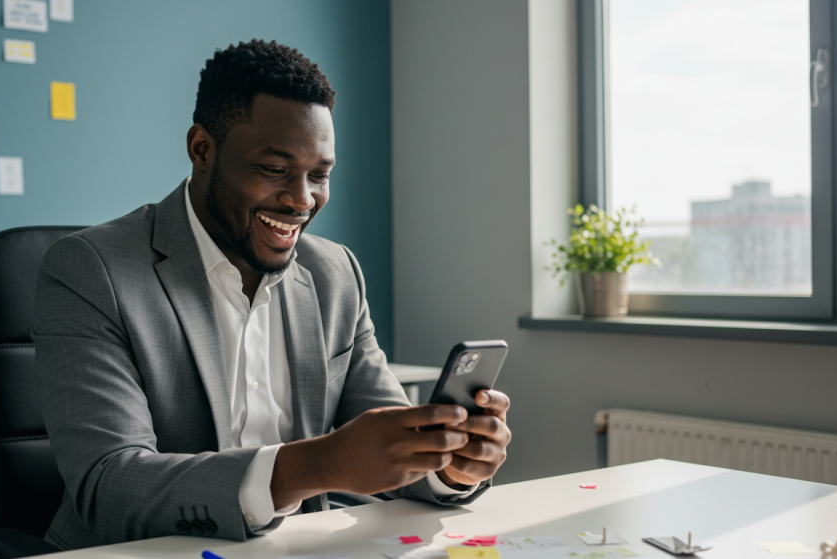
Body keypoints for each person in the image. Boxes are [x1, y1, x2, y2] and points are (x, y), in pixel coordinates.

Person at [33, 39, 512, 549]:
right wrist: (312, 465)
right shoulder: (92, 269)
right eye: (274, 169)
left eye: (320, 175)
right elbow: (109, 486)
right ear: (202, 149)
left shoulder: (335, 275)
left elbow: (392, 446)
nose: (302, 200)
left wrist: (449, 463)